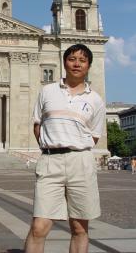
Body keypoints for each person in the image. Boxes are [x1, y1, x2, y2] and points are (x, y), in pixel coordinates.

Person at [25, 44, 105, 253]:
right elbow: (37, 124)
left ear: (88, 65)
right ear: (64, 61)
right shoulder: (47, 91)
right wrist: (49, 145)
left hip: (81, 163)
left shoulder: (96, 99)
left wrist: (75, 147)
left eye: (82, 60)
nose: (76, 63)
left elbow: (95, 136)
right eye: (72, 59)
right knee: (38, 227)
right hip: (51, 161)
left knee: (79, 227)